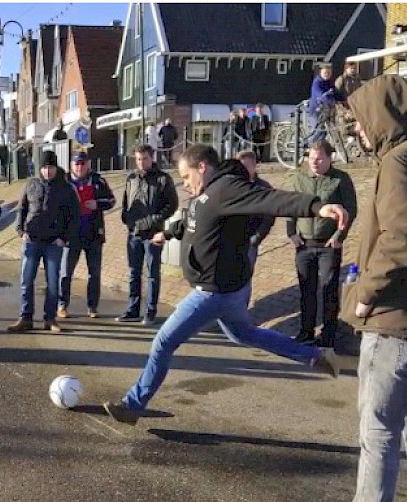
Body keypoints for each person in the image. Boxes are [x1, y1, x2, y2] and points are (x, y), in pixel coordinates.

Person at [103, 144, 354, 426]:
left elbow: (270, 199)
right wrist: (168, 233)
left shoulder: (227, 188)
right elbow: (192, 220)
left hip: (213, 293)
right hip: (230, 291)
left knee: (162, 343)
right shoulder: (206, 196)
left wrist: (317, 206)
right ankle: (316, 355)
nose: (185, 185)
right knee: (244, 334)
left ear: (203, 167)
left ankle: (132, 405)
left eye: (186, 177)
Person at [307, 74, 407, 502]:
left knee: (379, 432)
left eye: (360, 121)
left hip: (391, 321)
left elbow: (400, 237)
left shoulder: (398, 161)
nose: (358, 132)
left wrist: (366, 293)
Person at [287, 140, 357, 348]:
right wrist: (292, 233)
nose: (314, 162)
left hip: (329, 244)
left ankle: (328, 334)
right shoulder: (300, 178)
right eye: (311, 158)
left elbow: (351, 210)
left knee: (329, 290)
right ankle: (306, 331)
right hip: (304, 243)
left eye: (319, 158)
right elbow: (292, 206)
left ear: (329, 158)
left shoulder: (340, 180)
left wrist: (339, 236)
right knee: (306, 290)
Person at [7, 150, 79, 333]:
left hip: (54, 243)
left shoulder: (66, 188)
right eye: (44, 168)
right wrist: (20, 230)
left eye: (51, 167)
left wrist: (64, 238)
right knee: (26, 280)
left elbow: (74, 216)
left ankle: (50, 319)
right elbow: (21, 208)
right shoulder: (31, 185)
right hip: (31, 240)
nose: (48, 171)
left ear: (56, 167)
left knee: (53, 282)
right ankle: (25, 317)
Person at [117, 144, 179, 326]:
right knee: (134, 272)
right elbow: (126, 201)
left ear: (152, 158)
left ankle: (151, 310)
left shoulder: (163, 179)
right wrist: (126, 218)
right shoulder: (131, 178)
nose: (141, 162)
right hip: (134, 232)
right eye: (138, 159)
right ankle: (132, 309)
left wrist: (154, 220)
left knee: (152, 273)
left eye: (144, 158)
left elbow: (172, 205)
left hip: (153, 233)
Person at [58, 151, 116, 319]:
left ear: (88, 164)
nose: (80, 167)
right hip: (71, 236)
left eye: (83, 163)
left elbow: (111, 200)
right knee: (65, 273)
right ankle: (62, 305)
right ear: (71, 165)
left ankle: (92, 307)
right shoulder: (65, 182)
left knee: (94, 273)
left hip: (93, 234)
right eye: (76, 164)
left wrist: (97, 204)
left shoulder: (98, 180)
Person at [236, 150, 274, 273]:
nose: (243, 170)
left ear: (254, 166)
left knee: (246, 274)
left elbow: (269, 216)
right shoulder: (232, 185)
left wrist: (257, 237)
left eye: (246, 166)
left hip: (250, 240)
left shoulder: (263, 188)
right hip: (230, 239)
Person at [307, 63, 345, 144]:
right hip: (317, 110)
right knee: (317, 130)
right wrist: (331, 101)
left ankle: (320, 148)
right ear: (321, 72)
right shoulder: (317, 83)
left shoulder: (329, 83)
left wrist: (344, 100)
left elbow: (336, 93)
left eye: (329, 73)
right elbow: (320, 95)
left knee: (325, 132)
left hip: (326, 110)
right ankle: (309, 147)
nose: (327, 75)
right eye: (325, 73)